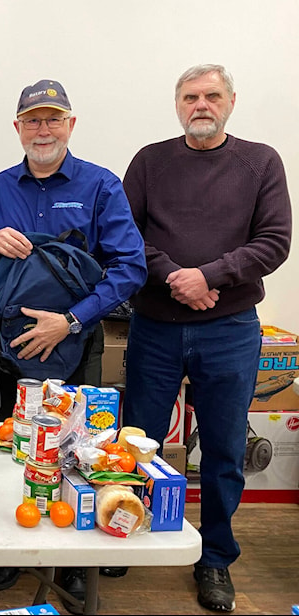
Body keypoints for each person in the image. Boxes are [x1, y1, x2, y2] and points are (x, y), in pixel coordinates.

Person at [0, 78, 147, 613]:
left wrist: (70, 321)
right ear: (18, 127)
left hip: (75, 345)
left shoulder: (100, 186)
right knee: (12, 447)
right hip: (10, 350)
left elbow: (130, 267)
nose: (42, 129)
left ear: (71, 124)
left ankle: (73, 563)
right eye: (32, 119)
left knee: (77, 455)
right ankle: (12, 548)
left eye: (53, 119)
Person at [122, 64, 291, 613]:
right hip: (155, 328)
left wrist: (210, 276)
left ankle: (215, 557)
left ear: (231, 102)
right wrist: (178, 277)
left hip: (230, 329)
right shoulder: (150, 161)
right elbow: (126, 237)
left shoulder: (260, 161)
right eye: (190, 96)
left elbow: (274, 241)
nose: (201, 104)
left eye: (211, 96)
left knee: (221, 450)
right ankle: (134, 528)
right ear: (177, 105)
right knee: (139, 443)